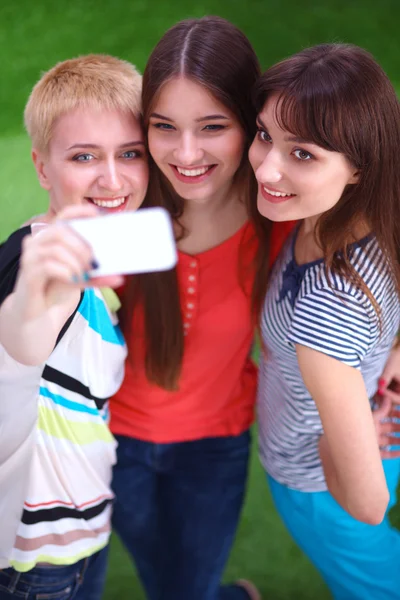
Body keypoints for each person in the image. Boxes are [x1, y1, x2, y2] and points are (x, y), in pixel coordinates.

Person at [109, 16, 293, 600]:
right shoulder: (124, 205)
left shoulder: (280, 219)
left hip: (216, 445)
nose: (186, 153)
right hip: (114, 443)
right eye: (164, 127)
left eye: (213, 126)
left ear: (252, 126)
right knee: (167, 583)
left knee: (185, 589)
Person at [249, 43, 400, 599]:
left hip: (318, 491)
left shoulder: (323, 320)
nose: (268, 167)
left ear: (360, 166)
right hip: (365, 429)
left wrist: (328, 445)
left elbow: (366, 503)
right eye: (265, 134)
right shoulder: (368, 212)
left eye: (303, 154)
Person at [0, 54, 148, 599]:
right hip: (35, 564)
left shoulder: (87, 259)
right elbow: (22, 339)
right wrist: (34, 306)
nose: (112, 178)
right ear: (42, 168)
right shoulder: (43, 264)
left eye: (130, 154)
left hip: (80, 534)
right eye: (84, 156)